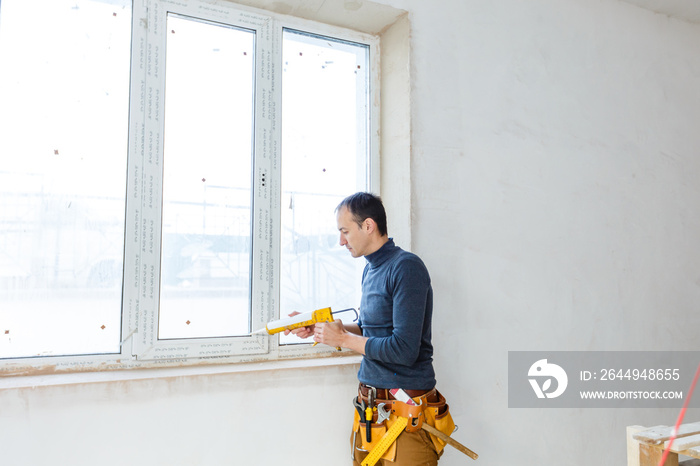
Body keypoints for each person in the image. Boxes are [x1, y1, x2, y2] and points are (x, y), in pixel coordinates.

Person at [287, 192, 455, 466]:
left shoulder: (406, 268)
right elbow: (370, 329)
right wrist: (323, 329)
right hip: (371, 414)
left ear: (368, 226)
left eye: (345, 231)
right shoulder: (371, 269)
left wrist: (342, 338)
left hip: (405, 414)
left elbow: (403, 349)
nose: (341, 241)